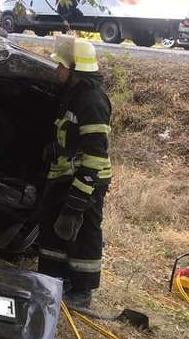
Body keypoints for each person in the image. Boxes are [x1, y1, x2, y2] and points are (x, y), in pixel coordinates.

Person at [38, 35, 113, 308]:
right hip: (64, 176)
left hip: (86, 179)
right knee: (55, 230)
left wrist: (80, 194)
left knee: (83, 233)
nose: (57, 70)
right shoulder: (72, 95)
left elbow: (95, 153)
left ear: (75, 69)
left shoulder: (92, 101)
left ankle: (82, 291)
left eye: (61, 66)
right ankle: (56, 280)